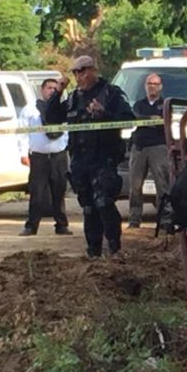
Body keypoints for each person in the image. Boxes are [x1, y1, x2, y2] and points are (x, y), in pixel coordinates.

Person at [43, 55, 134, 258]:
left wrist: (104, 114)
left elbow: (129, 120)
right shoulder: (74, 98)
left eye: (82, 71)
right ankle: (93, 250)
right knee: (88, 207)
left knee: (104, 203)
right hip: (80, 161)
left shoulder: (110, 93)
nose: (78, 76)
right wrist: (58, 91)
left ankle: (114, 247)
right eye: (75, 72)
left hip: (103, 159)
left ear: (93, 71)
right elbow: (51, 118)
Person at [18, 78, 72, 236]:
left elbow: (68, 130)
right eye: (49, 88)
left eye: (55, 88)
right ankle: (31, 226)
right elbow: (22, 133)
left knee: (59, 191)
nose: (52, 91)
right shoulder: (30, 109)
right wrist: (23, 153)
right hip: (38, 157)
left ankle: (61, 225)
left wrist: (64, 148)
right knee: (37, 193)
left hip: (58, 156)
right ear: (42, 90)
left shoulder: (63, 109)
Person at [127, 74, 170, 228]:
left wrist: (152, 120)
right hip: (139, 147)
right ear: (145, 86)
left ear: (160, 86)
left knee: (162, 185)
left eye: (155, 84)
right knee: (135, 185)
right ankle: (134, 220)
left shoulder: (165, 104)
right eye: (149, 83)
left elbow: (164, 121)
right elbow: (136, 118)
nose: (152, 86)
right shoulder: (139, 104)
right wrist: (151, 119)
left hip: (158, 147)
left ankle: (164, 220)